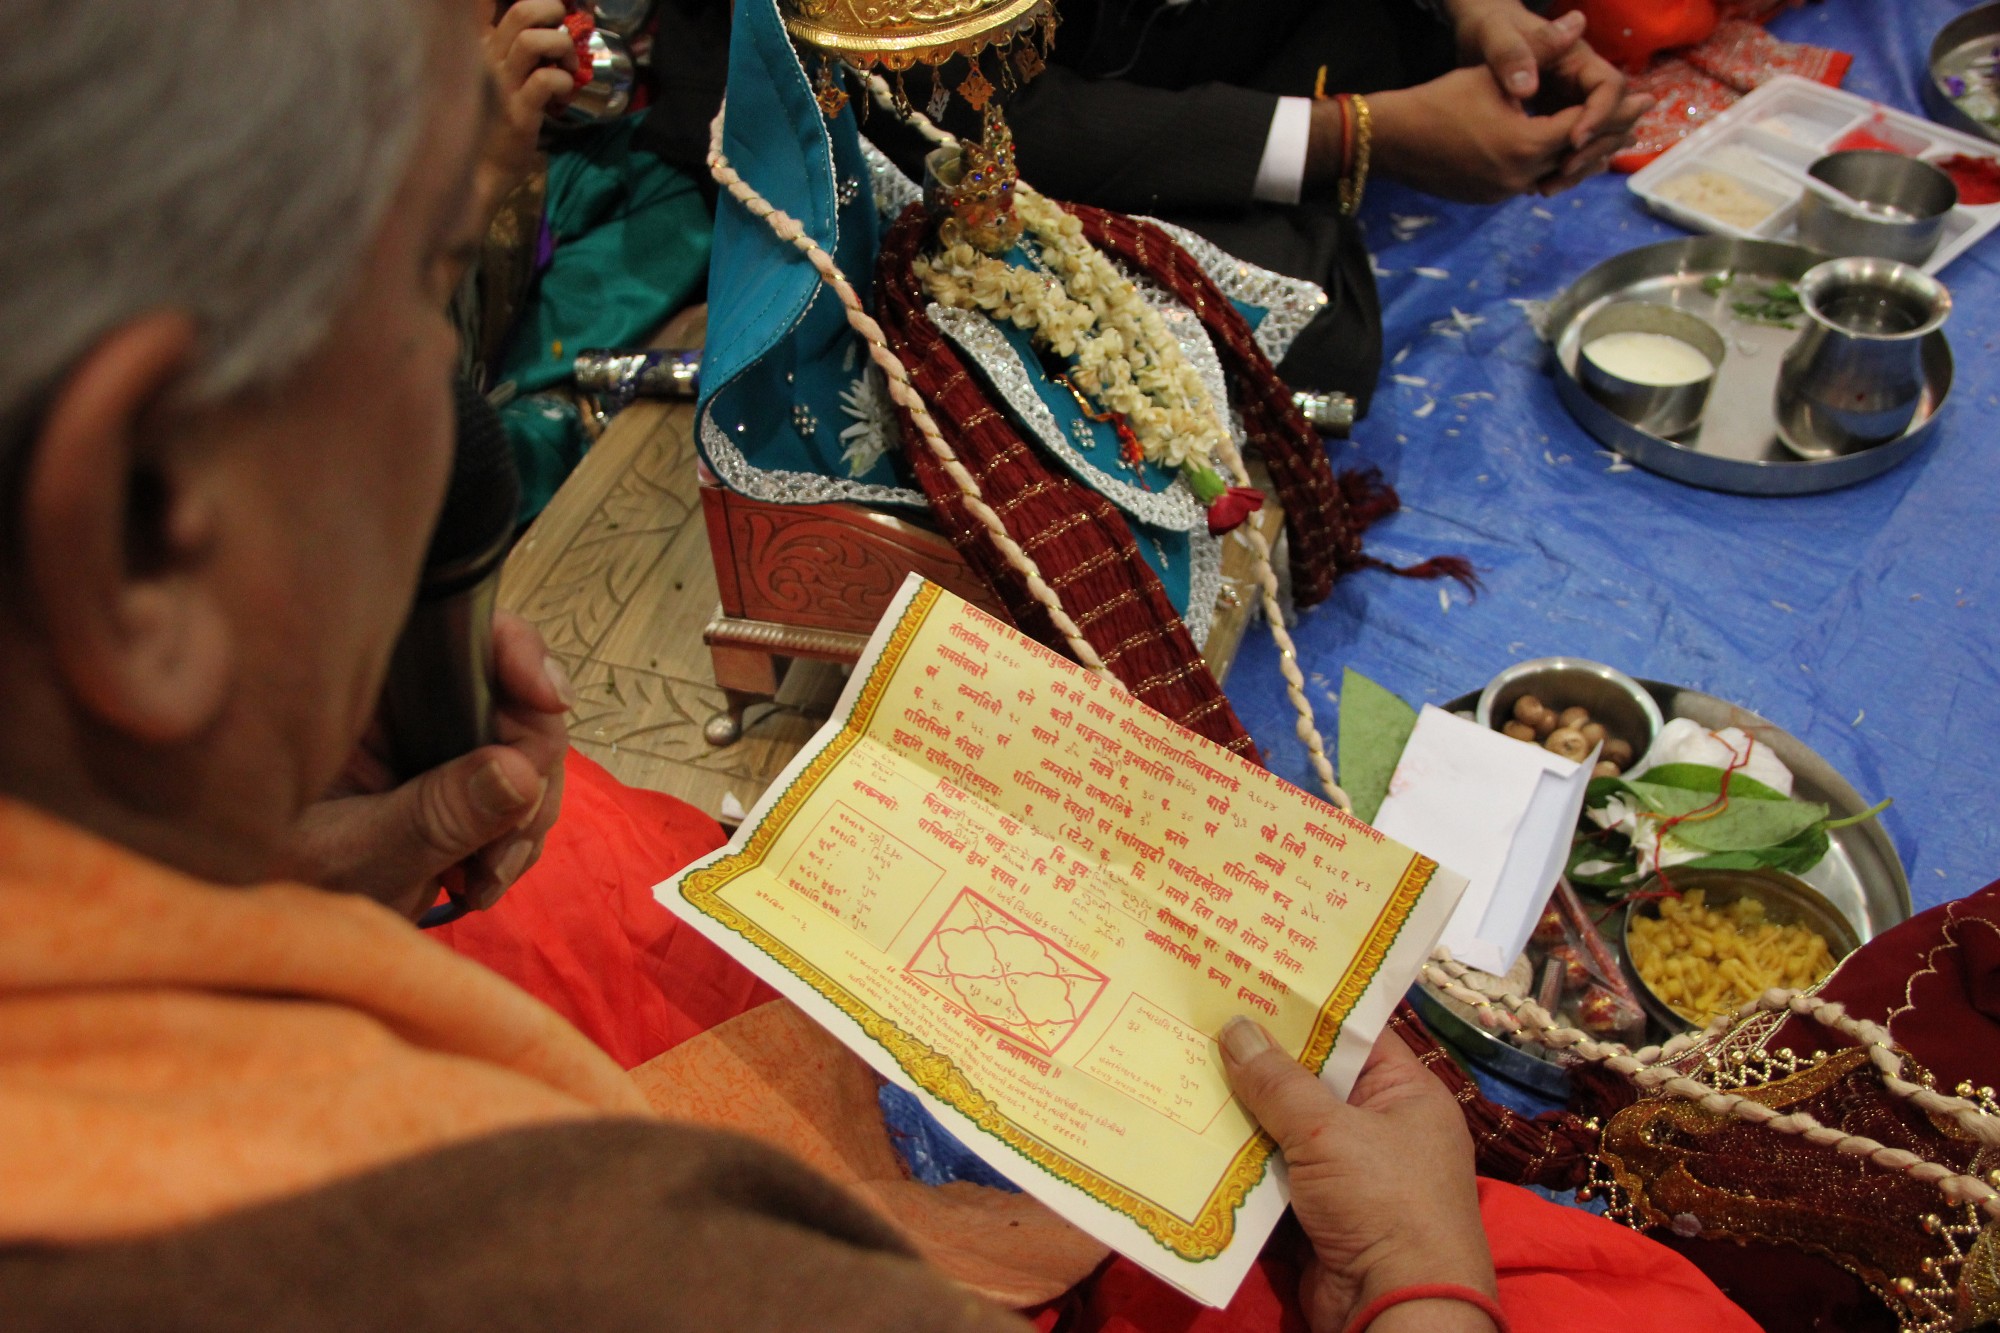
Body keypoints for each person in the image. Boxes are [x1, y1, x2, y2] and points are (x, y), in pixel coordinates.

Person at [0, 2, 1752, 1329]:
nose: (448, 430)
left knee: (593, 843)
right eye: (416, 303)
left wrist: (251, 864)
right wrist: (1424, 1294)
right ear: (143, 522)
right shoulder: (564, 1260)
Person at [992, 0, 1653, 411]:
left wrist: (1482, 15)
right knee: (1320, 337)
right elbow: (998, 121)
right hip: (1026, 119)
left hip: (1233, 40)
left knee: (1397, 39)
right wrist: (1352, 135)